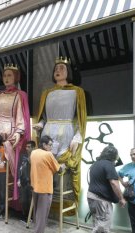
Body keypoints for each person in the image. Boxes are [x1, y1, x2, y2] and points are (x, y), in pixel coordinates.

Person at [34, 57, 87, 204]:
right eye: (56, 69)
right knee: (46, 168)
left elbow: (80, 118)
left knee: (63, 170)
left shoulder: (77, 92)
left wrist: (77, 137)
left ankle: (64, 203)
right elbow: (43, 115)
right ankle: (44, 200)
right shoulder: (47, 93)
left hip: (66, 133)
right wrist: (40, 123)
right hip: (48, 132)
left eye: (61, 68)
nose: (58, 71)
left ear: (68, 71)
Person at [0, 64, 31, 201]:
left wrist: (18, 132)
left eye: (10, 75)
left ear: (16, 77)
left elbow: (21, 117)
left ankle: (9, 201)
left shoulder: (20, 95)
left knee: (9, 170)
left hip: (11, 135)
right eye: (4, 75)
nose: (6, 78)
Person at [84, 146, 126, 233]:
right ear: (114, 156)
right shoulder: (109, 165)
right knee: (101, 226)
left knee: (100, 224)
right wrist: (121, 198)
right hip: (101, 200)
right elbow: (113, 183)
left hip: (93, 197)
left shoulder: (96, 164)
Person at [30, 135, 60, 233]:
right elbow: (58, 169)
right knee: (42, 214)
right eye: (50, 145)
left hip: (35, 186)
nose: (51, 147)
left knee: (37, 213)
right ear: (44, 145)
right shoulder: (48, 154)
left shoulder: (34, 152)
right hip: (45, 188)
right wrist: (63, 166)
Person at [18, 140, 36, 222]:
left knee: (31, 200)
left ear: (33, 148)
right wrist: (19, 179)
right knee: (23, 200)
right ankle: (25, 217)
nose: (27, 148)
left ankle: (31, 217)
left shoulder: (36, 157)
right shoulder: (23, 156)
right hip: (23, 181)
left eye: (29, 147)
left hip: (32, 183)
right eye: (26, 146)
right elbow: (20, 168)